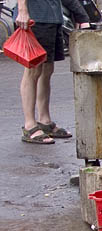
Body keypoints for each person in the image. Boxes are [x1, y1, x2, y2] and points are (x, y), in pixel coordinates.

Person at [15, 0, 78, 144]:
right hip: (35, 18)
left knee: (47, 69)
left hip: (52, 17)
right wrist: (22, 10)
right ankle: (29, 125)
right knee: (33, 70)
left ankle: (44, 120)